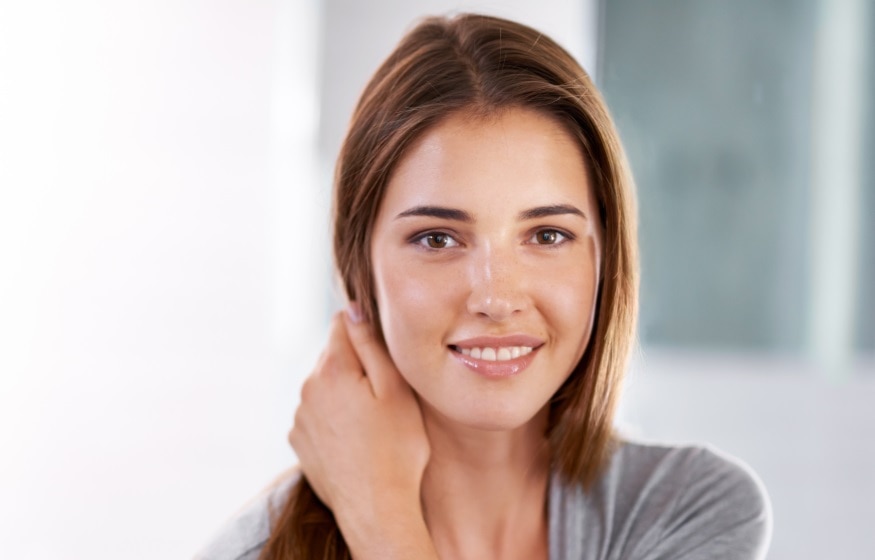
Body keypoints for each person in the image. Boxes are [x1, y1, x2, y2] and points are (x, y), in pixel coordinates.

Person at [196, 13, 771, 560]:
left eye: (546, 235)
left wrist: (382, 519)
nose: (496, 299)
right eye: (438, 240)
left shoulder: (688, 512)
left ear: (605, 257)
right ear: (357, 266)